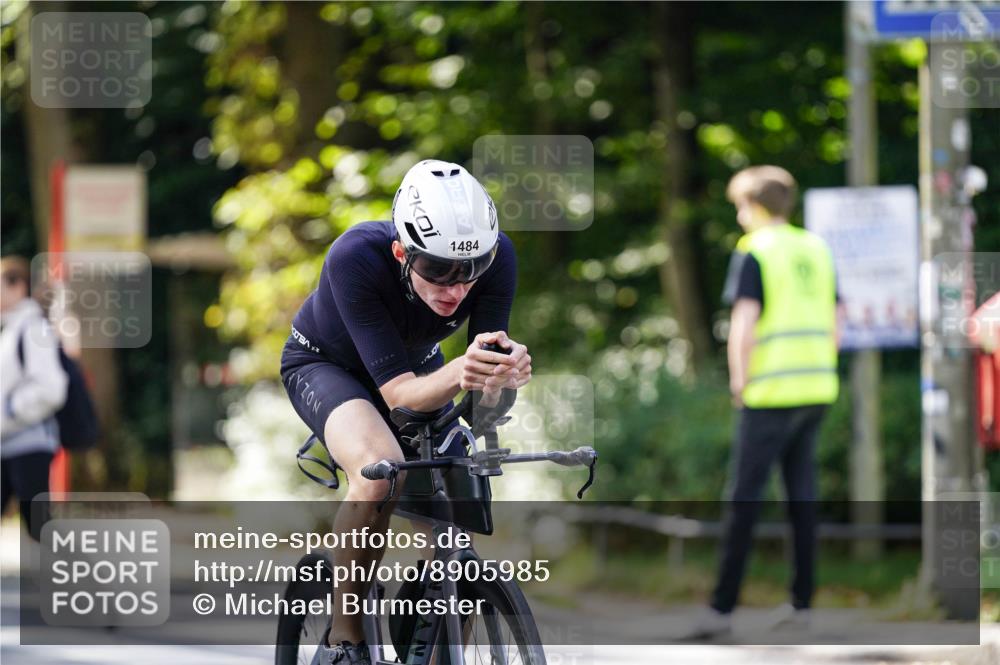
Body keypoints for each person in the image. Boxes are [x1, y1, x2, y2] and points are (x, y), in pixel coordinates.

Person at [281, 159, 531, 664]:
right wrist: (465, 370)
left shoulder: (497, 256)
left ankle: (428, 637)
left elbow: (482, 397)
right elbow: (397, 396)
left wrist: (501, 381)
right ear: (402, 252)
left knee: (460, 482)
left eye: (471, 271)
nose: (457, 289)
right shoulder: (355, 256)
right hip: (330, 366)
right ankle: (344, 641)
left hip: (419, 369)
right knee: (380, 471)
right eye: (438, 270)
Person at [690, 165, 840, 639]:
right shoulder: (815, 247)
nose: (738, 216)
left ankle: (721, 610)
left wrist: (740, 382)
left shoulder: (755, 249)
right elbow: (838, 317)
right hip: (816, 388)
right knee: (803, 498)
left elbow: (744, 325)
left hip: (770, 392)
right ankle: (802, 605)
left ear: (754, 206)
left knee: (744, 500)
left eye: (740, 206)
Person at [0, 255, 68, 541]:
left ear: (17, 287)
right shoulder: (11, 329)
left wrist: (12, 411)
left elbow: (52, 388)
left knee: (40, 526)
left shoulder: (32, 329)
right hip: (8, 442)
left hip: (29, 443)